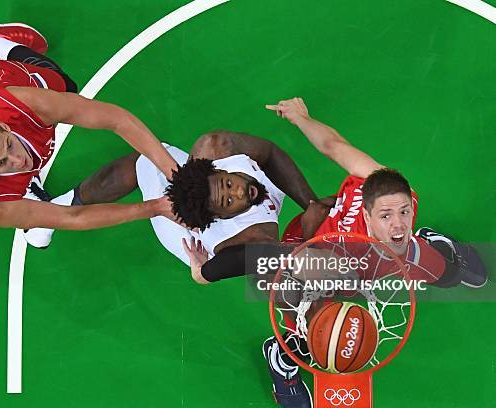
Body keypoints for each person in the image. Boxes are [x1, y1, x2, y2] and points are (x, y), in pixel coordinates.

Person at [260, 96, 487, 408]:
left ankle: (435, 245)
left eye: (404, 212)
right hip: (314, 255)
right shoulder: (326, 251)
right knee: (314, 330)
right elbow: (297, 270)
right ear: (367, 215)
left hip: (371, 261)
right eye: (386, 217)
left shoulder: (379, 185)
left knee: (447, 274)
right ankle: (282, 360)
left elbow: (334, 145)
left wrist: (302, 118)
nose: (398, 227)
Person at [0, 22, 177, 248]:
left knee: (62, 83)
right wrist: (153, 207)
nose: (17, 160)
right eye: (1, 163)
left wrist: (173, 172)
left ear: (3, 127)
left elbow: (117, 120)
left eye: (9, 145)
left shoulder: (21, 103)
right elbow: (71, 217)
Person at [135, 131, 318, 284]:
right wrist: (312, 230)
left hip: (192, 183)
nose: (239, 193)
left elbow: (269, 154)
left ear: (219, 169)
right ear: (219, 217)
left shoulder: (217, 146)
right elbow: (287, 267)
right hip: (182, 235)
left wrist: (312, 204)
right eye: (228, 202)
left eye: (229, 184)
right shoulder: (248, 238)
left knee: (158, 154)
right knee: (143, 162)